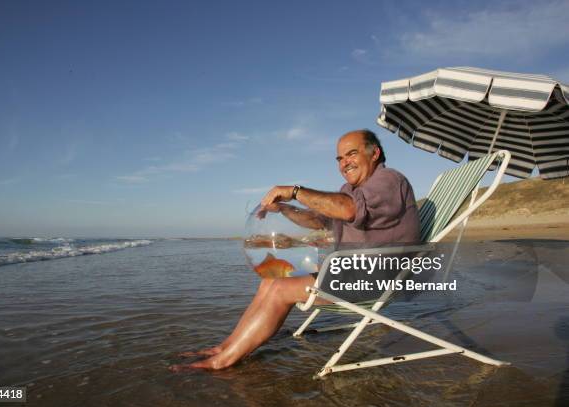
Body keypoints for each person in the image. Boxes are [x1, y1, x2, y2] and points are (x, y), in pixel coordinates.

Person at [172, 129, 420, 370]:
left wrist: (295, 192)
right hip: (353, 273)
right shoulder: (352, 191)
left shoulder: (388, 180)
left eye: (351, 154)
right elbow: (320, 220)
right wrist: (284, 209)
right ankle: (225, 347)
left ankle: (222, 362)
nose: (345, 163)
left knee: (280, 289)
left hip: (378, 280)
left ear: (374, 153)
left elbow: (348, 210)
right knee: (269, 282)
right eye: (340, 158)